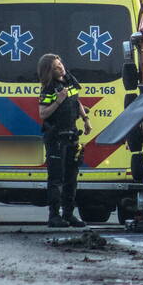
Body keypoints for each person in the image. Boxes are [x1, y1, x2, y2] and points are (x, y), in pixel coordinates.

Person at [37, 53, 92, 228]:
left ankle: (69, 215)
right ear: (48, 71)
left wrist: (85, 120)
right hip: (56, 138)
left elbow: (77, 101)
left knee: (71, 178)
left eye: (60, 63)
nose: (60, 67)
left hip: (71, 136)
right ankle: (54, 216)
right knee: (56, 179)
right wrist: (58, 101)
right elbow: (43, 113)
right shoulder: (48, 89)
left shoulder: (69, 82)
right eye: (55, 67)